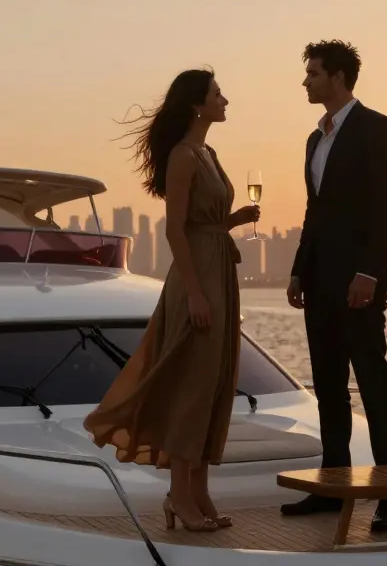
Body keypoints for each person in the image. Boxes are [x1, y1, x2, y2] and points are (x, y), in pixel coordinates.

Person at [83, 67, 261, 533]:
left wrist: (234, 220)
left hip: (219, 267)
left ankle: (198, 492)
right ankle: (180, 495)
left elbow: (205, 223)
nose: (226, 100)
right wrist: (196, 292)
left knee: (218, 380)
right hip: (197, 276)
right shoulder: (183, 156)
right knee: (193, 383)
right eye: (218, 94)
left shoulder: (209, 152)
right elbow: (174, 229)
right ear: (196, 105)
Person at [281, 40, 387, 531]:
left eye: (312, 73)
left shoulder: (377, 128)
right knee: (329, 387)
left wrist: (369, 272)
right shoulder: (315, 140)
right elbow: (315, 211)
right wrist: (296, 269)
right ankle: (334, 489)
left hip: (359, 279)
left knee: (372, 381)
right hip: (318, 279)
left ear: (337, 77)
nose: (306, 81)